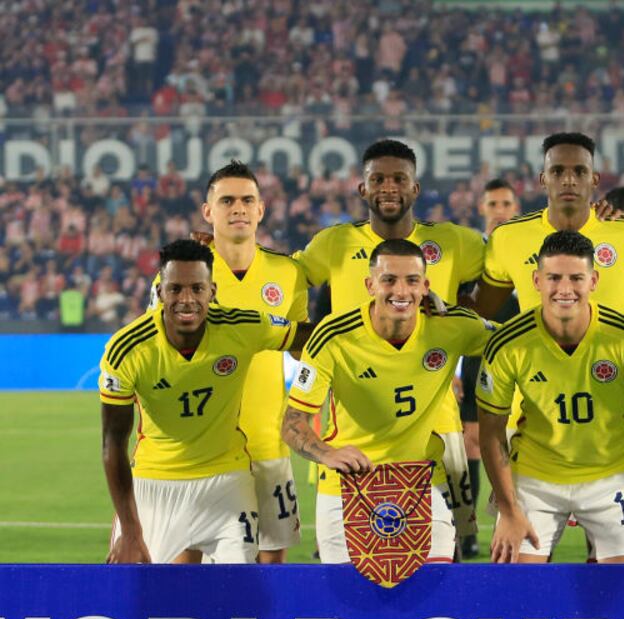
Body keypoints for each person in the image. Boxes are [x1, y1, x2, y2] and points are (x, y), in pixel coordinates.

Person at [294, 139, 486, 559]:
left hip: (435, 417)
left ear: (416, 188)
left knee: (449, 550)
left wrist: (460, 313)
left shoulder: (455, 242)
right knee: (355, 553)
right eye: (377, 179)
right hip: (357, 415)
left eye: (399, 178)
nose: (388, 187)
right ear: (362, 189)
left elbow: (510, 274)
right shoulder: (334, 243)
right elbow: (285, 277)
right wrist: (297, 337)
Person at [476, 232, 624, 563]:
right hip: (535, 478)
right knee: (516, 590)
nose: (564, 288)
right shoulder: (508, 343)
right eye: (554, 278)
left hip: (612, 475)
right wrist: (510, 510)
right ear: (536, 280)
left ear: (594, 280)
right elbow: (491, 432)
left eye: (576, 278)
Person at [282, 239, 495, 563]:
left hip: (421, 481)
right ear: (370, 285)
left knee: (434, 596)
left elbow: (516, 342)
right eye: (389, 280)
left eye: (412, 281)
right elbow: (293, 422)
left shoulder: (452, 326)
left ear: (426, 286)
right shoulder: (333, 336)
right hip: (348, 485)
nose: (401, 290)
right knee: (349, 606)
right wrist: (329, 453)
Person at [101, 240, 311, 563]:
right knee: (137, 596)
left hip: (226, 480)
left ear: (212, 291)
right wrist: (130, 532)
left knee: (238, 590)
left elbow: (310, 335)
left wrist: (378, 319)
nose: (186, 300)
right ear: (160, 293)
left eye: (197, 288)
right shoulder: (127, 349)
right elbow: (113, 443)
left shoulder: (242, 326)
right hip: (155, 482)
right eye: (175, 289)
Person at [157, 161, 308, 564]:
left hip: (267, 439)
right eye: (227, 200)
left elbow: (302, 350)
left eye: (247, 200)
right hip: (203, 445)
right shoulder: (185, 274)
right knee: (184, 561)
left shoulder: (288, 272)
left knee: (271, 562)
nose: (238, 208)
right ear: (208, 211)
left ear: (261, 210)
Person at [470, 132, 624, 318]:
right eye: (557, 171)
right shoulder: (509, 238)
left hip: (613, 363)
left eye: (580, 171)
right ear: (543, 179)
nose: (569, 180)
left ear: (594, 179)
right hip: (540, 363)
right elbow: (479, 311)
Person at [457, 177, 523, 557]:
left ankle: (511, 520)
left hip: (520, 359)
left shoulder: (527, 248)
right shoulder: (472, 255)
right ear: (482, 209)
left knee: (514, 443)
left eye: (505, 204)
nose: (499, 211)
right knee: (472, 444)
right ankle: (468, 528)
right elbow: (452, 311)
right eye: (493, 204)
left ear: (516, 208)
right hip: (477, 357)